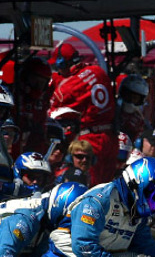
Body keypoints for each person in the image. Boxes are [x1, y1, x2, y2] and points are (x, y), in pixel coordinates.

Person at [49, 42, 117, 186]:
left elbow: (55, 113)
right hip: (111, 137)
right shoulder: (98, 70)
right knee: (107, 186)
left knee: (90, 186)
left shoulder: (69, 87)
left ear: (62, 63)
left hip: (90, 140)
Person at [15, 56, 53, 155]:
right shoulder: (12, 97)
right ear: (24, 77)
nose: (37, 86)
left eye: (41, 83)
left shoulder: (41, 104)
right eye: (35, 81)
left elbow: (40, 135)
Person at [116, 73, 149, 141]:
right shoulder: (113, 110)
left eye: (135, 98)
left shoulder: (139, 119)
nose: (131, 99)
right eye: (128, 95)